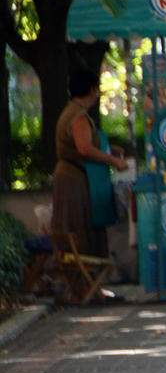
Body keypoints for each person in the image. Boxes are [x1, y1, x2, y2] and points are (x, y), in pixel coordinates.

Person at [52, 69, 129, 258]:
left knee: (77, 226)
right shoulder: (78, 116)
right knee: (80, 226)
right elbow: (84, 149)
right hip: (75, 180)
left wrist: (110, 148)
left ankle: (84, 280)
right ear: (92, 90)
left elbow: (83, 144)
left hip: (72, 176)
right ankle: (85, 279)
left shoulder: (72, 111)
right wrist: (113, 161)